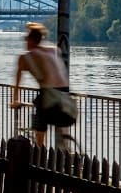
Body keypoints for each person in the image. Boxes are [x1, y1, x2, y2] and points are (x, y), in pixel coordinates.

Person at [11, 22, 75, 150]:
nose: (25, 42)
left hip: (48, 97)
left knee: (39, 127)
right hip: (66, 97)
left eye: (26, 38)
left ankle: (40, 154)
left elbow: (17, 82)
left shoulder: (25, 57)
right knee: (61, 128)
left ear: (30, 40)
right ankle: (66, 152)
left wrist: (15, 101)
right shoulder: (54, 50)